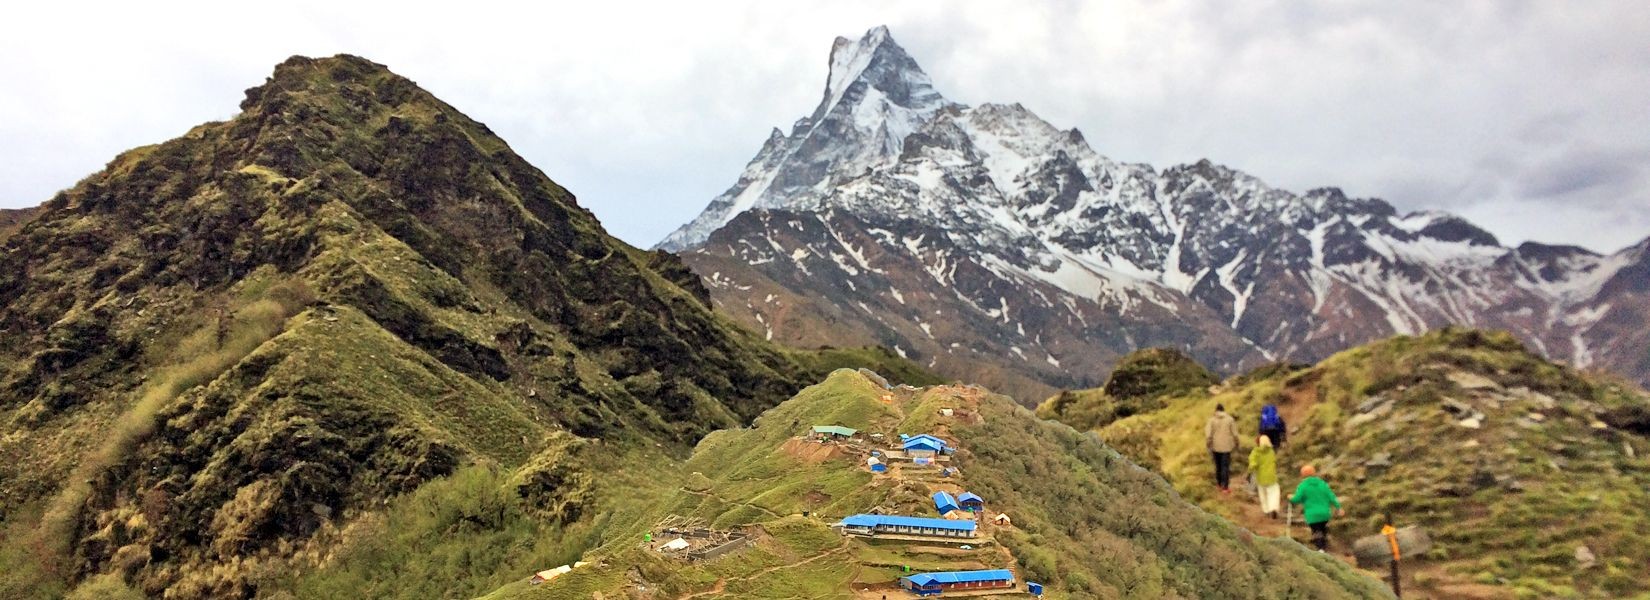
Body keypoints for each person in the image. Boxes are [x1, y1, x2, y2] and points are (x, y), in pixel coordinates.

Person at [1290, 464, 1344, 552]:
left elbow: (1297, 499)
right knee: (1322, 529)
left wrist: (1290, 497)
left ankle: (1320, 549)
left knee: (1316, 531)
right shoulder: (1322, 484)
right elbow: (1331, 497)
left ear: (1302, 475)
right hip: (1325, 513)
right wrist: (1339, 507)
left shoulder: (1303, 486)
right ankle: (1324, 546)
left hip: (1312, 515)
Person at [1205, 403, 1239, 493]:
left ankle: (1219, 484)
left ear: (1216, 410)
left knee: (1218, 466)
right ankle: (1225, 487)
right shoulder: (1230, 419)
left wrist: (1208, 444)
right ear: (1224, 410)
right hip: (1227, 446)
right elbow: (1235, 433)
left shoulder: (1211, 420)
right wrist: (1237, 443)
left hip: (1215, 447)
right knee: (1225, 467)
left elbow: (1208, 434)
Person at [1248, 435, 1281, 519]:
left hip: (1261, 477)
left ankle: (1266, 510)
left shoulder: (1255, 452)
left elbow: (1252, 464)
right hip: (1272, 476)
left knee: (1263, 495)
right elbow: (1274, 461)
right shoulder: (1271, 451)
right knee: (1274, 493)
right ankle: (1273, 508)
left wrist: (1250, 471)